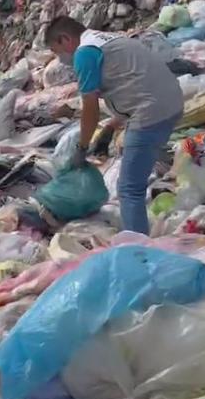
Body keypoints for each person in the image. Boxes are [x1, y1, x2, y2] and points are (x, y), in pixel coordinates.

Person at [44, 16, 184, 235]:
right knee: (138, 164)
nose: (60, 59)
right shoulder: (105, 39)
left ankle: (138, 249)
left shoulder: (85, 53)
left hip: (150, 112)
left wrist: (81, 148)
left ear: (65, 39)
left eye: (57, 51)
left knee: (129, 189)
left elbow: (90, 107)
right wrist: (110, 127)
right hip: (171, 102)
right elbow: (131, 81)